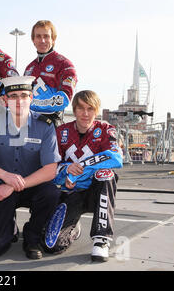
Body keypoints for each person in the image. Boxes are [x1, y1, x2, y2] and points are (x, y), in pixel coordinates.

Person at [0, 76, 61, 259]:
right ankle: (9, 225)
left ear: (31, 98)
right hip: (0, 188)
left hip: (32, 187)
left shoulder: (45, 126)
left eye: (24, 95)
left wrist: (13, 184)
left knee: (51, 192)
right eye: (13, 96)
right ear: (5, 100)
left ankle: (32, 237)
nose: (19, 100)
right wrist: (5, 176)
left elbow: (50, 170)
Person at [47, 90, 123, 262]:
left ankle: (101, 239)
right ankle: (74, 228)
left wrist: (81, 169)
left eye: (90, 108)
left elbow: (116, 157)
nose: (85, 113)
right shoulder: (60, 132)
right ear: (74, 109)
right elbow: (51, 167)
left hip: (95, 192)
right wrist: (66, 170)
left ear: (96, 111)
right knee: (52, 245)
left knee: (106, 174)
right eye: (81, 108)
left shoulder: (106, 130)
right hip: (70, 193)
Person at [24, 20, 77, 126]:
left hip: (52, 125)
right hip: (29, 124)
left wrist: (31, 103)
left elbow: (63, 100)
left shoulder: (65, 65)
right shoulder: (29, 67)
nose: (42, 40)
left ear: (53, 39)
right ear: (33, 40)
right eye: (38, 36)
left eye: (46, 36)